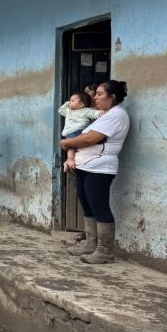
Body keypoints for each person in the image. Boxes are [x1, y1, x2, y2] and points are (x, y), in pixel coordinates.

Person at [60, 80, 129, 264]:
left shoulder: (117, 115)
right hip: (85, 167)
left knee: (99, 208)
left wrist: (66, 143)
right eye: (95, 94)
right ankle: (91, 244)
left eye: (99, 94)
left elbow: (89, 139)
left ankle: (105, 251)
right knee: (88, 207)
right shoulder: (103, 115)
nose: (95, 97)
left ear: (112, 96)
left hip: (100, 168)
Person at [58, 91, 102, 172]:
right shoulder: (68, 111)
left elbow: (96, 113)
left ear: (81, 104)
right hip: (71, 132)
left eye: (72, 101)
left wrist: (102, 113)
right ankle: (71, 159)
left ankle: (71, 159)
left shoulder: (86, 111)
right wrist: (68, 103)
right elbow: (61, 110)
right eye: (70, 101)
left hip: (82, 131)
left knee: (72, 145)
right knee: (71, 145)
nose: (70, 102)